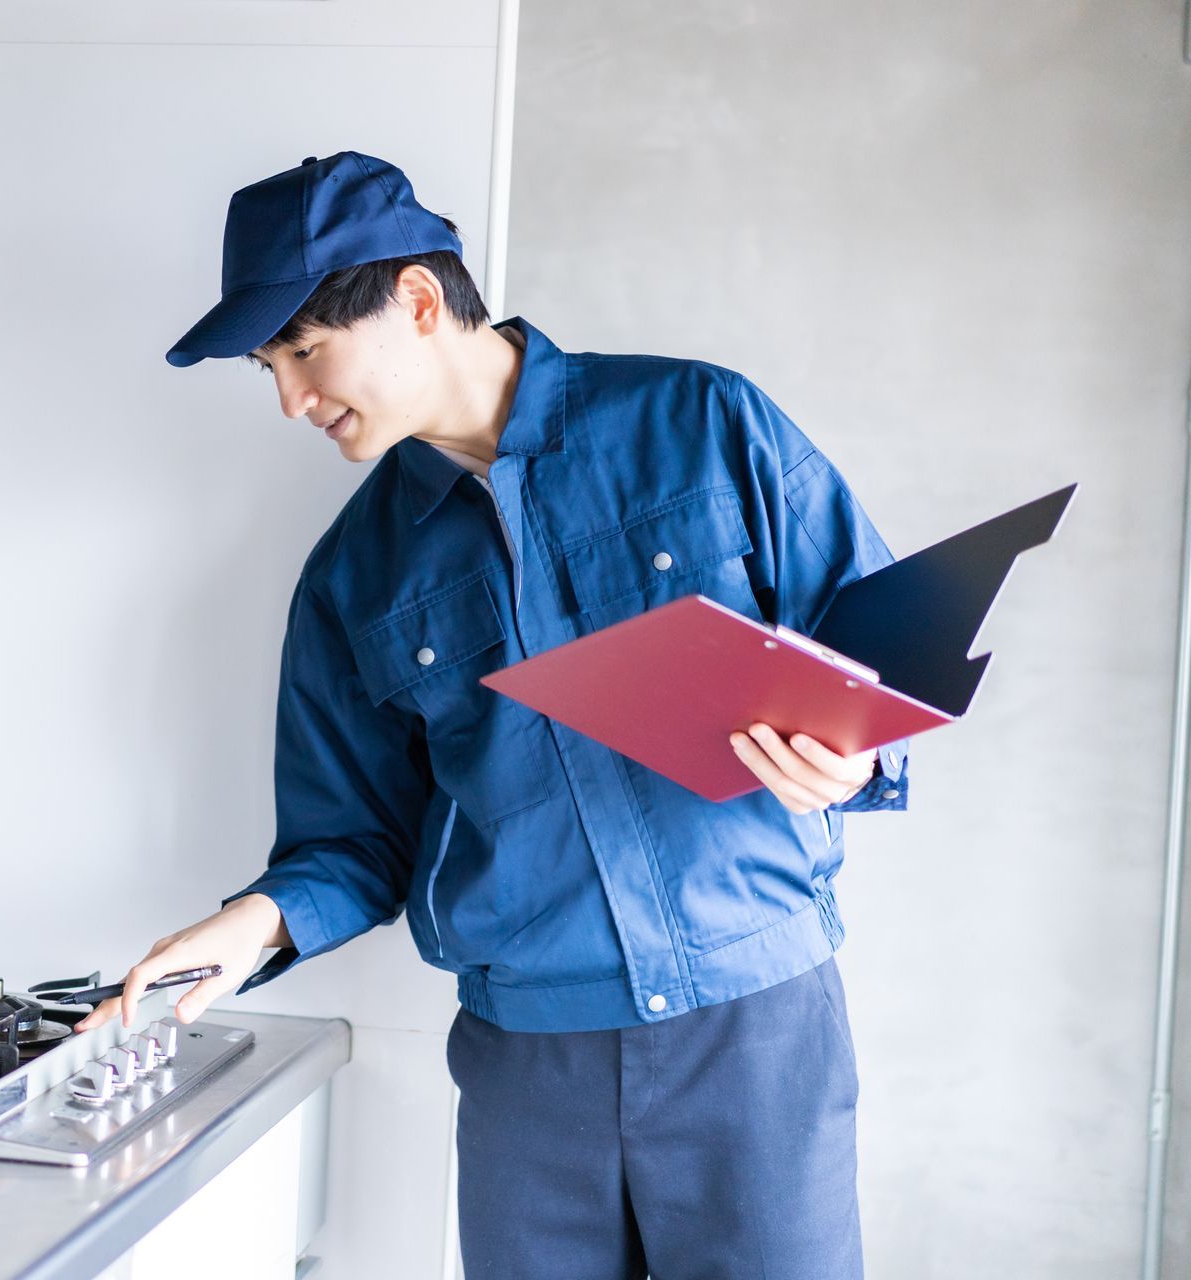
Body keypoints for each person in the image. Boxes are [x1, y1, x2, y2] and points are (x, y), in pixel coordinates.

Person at [74, 151, 908, 1280]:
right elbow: (352, 839)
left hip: (752, 1027)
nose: (290, 401)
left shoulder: (702, 420)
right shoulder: (352, 575)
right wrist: (252, 927)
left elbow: (877, 653)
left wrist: (850, 758)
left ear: (418, 300)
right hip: (529, 1070)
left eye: (305, 353)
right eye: (270, 368)